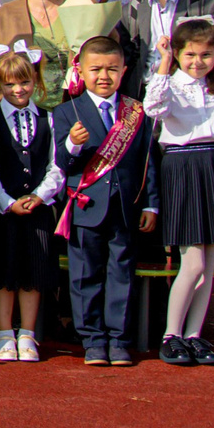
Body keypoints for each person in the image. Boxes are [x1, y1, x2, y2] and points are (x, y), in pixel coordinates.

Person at [141, 17, 214, 368]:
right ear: (177, 53)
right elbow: (153, 109)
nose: (198, 62)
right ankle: (170, 335)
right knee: (193, 261)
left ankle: (194, 333)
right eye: (190, 54)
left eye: (206, 54)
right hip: (184, 168)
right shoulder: (168, 85)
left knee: (210, 262)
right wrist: (163, 63)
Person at [57, 32, 154, 367]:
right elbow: (60, 163)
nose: (104, 76)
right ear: (80, 71)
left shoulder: (136, 112)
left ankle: (119, 338)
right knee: (85, 274)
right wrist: (72, 144)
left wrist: (151, 203)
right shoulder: (67, 111)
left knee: (121, 274)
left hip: (125, 208)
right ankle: (93, 340)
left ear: (124, 70)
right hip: (86, 207)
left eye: (112, 69)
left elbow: (147, 161)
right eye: (96, 69)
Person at [0, 42, 61, 362]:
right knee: (5, 272)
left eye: (24, 82)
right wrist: (6, 200)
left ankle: (27, 334)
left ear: (36, 81)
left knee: (34, 272)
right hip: (4, 211)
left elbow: (57, 164)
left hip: (38, 210)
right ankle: (4, 334)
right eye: (9, 83)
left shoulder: (48, 118)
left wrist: (40, 195)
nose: (18, 89)